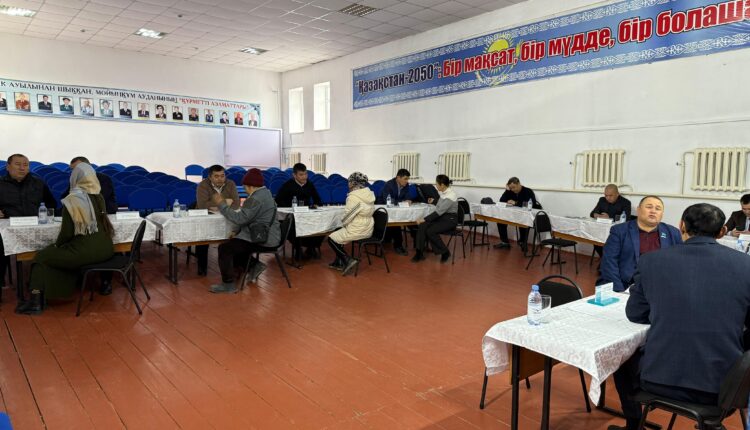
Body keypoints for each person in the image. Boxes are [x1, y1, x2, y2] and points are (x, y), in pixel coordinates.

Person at [609, 203, 750, 430]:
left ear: (681, 225)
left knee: (622, 359)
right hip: (726, 387)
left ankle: (634, 424)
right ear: (722, 231)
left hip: (659, 380)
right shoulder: (746, 265)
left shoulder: (651, 261)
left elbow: (635, 313)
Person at [15, 163, 115, 314]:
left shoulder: (72, 199)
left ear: (75, 178)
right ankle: (45, 294)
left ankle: (35, 301)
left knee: (41, 256)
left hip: (85, 252)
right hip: (106, 250)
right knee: (53, 255)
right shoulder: (99, 196)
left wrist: (57, 246)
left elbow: (67, 233)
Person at [209, 169, 280, 293]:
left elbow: (240, 219)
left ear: (250, 186)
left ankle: (228, 284)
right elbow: (248, 218)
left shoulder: (255, 199)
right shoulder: (266, 194)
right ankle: (254, 266)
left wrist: (221, 204)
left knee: (225, 248)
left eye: (245, 187)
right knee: (235, 242)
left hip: (263, 239)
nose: (245, 190)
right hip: (270, 235)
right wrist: (236, 231)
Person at [598, 196, 682, 292]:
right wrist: (619, 291)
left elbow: (680, 263)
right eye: (649, 207)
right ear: (638, 210)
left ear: (662, 214)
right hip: (626, 284)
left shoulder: (672, 233)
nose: (653, 211)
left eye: (658, 209)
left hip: (660, 286)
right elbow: (609, 262)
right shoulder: (620, 231)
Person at [0, 154, 56, 290]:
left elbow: (51, 205)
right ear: (8, 167)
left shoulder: (38, 183)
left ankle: (38, 282)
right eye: (18, 164)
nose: (22, 168)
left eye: (25, 165)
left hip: (36, 228)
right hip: (8, 228)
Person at [195, 165, 240, 276]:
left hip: (226, 217)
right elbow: (202, 205)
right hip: (206, 218)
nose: (220, 179)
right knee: (203, 237)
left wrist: (215, 204)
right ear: (210, 177)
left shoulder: (230, 184)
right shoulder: (203, 185)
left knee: (237, 235)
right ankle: (202, 266)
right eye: (216, 176)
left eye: (222, 176)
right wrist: (225, 203)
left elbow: (236, 204)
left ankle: (237, 266)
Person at [327, 172, 375, 276]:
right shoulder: (369, 195)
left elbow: (347, 218)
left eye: (349, 182)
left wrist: (343, 222)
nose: (348, 184)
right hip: (367, 228)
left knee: (330, 239)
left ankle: (347, 260)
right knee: (337, 232)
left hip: (358, 229)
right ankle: (338, 262)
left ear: (353, 183)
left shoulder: (354, 197)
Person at [275, 163, 324, 259]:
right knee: (294, 226)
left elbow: (317, 200)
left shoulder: (309, 184)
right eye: (301, 175)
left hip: (307, 214)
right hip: (292, 215)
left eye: (305, 174)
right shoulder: (287, 185)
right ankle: (298, 249)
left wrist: (315, 205)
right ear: (294, 175)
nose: (304, 177)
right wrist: (290, 208)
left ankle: (311, 247)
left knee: (321, 224)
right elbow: (278, 200)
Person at [411, 175, 458, 263]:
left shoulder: (451, 195)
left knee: (430, 231)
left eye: (437, 184)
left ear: (442, 185)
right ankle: (419, 252)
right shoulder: (444, 193)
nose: (436, 186)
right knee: (423, 226)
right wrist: (434, 201)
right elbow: (441, 206)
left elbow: (439, 211)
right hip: (442, 217)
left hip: (450, 220)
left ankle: (445, 252)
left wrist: (424, 219)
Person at [376, 168, 415, 256]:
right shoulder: (389, 185)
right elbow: (388, 200)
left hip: (396, 208)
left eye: (408, 179)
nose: (407, 181)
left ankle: (416, 240)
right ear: (398, 177)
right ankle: (398, 245)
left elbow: (407, 197)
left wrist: (408, 200)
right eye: (405, 179)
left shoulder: (406, 185)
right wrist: (402, 202)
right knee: (396, 223)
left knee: (410, 218)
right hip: (383, 209)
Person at [493, 177, 538, 252]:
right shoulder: (510, 191)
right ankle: (504, 242)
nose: (513, 190)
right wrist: (507, 190)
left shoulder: (528, 191)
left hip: (527, 215)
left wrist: (515, 203)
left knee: (523, 221)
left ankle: (523, 242)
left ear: (519, 184)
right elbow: (501, 201)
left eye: (514, 187)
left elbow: (530, 204)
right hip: (513, 213)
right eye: (511, 188)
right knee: (500, 220)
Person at [590, 184, 632, 256]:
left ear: (617, 194)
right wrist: (599, 216)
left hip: (616, 231)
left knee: (612, 245)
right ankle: (604, 258)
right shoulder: (602, 200)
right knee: (595, 240)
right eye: (606, 195)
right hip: (602, 230)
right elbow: (592, 214)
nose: (608, 198)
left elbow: (626, 219)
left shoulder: (626, 202)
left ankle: (610, 259)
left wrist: (609, 217)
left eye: (610, 195)